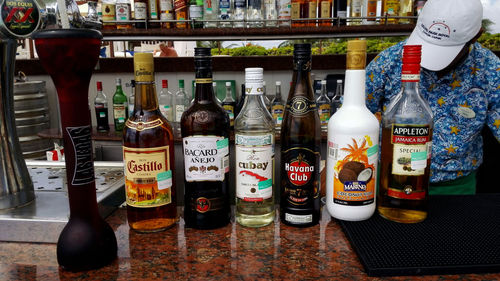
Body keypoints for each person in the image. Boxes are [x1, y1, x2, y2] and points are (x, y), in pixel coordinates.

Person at [365, 0, 500, 195]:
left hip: (455, 189)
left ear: (476, 35)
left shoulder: (490, 70)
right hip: (390, 181)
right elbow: (353, 113)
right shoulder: (389, 61)